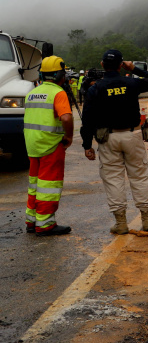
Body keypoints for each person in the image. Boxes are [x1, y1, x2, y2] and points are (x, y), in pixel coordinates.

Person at [80, 49, 148, 235]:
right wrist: (134, 69)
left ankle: (121, 223)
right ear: (121, 65)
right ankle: (147, 220)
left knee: (113, 179)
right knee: (139, 176)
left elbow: (87, 120)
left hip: (108, 139)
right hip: (132, 135)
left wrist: (87, 146)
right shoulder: (131, 82)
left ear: (102, 65)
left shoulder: (96, 88)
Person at [24, 56, 74, 236]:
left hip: (33, 145)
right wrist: (68, 136)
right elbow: (66, 117)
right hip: (51, 145)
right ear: (60, 74)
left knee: (35, 185)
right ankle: (45, 225)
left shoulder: (32, 93)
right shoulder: (58, 93)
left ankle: (31, 221)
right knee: (48, 186)